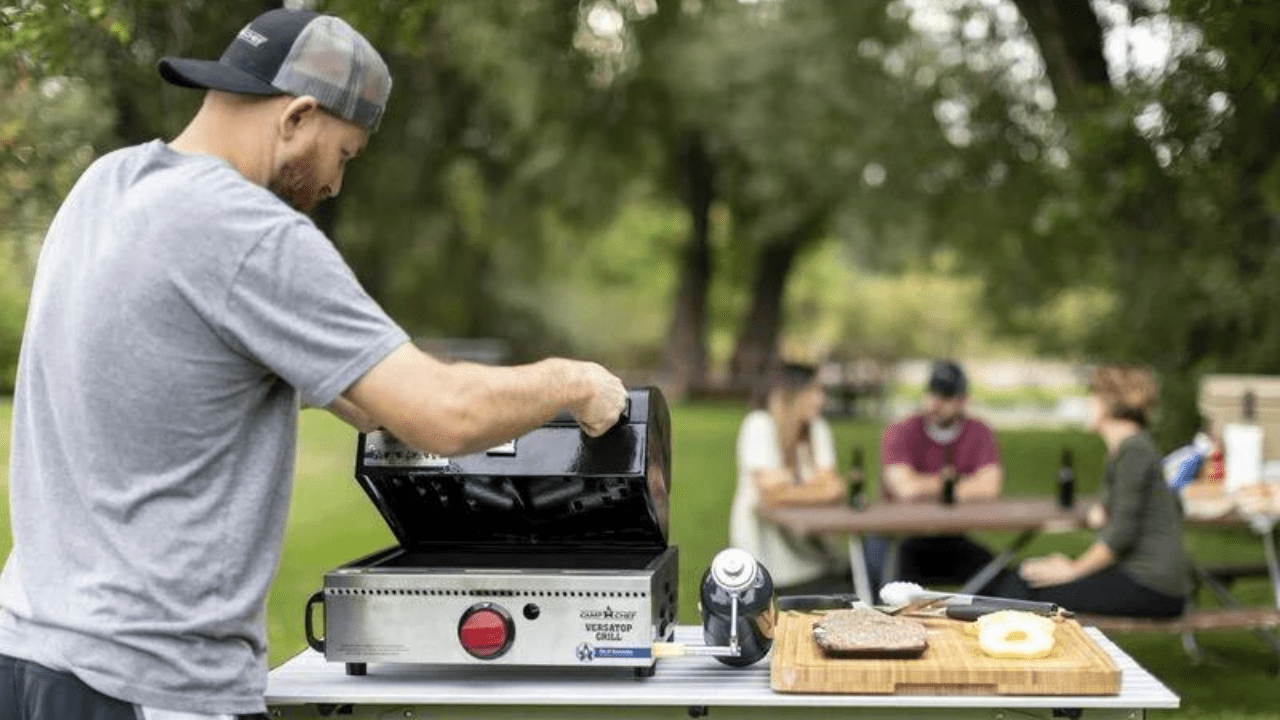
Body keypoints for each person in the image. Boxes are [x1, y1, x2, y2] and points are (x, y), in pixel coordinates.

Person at [0, 9, 627, 720]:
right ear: (297, 116)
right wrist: (573, 382)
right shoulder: (248, 234)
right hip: (149, 682)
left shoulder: (105, 189)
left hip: (28, 659)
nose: (335, 185)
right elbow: (443, 415)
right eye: (345, 154)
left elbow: (371, 398)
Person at [989, 365, 1191, 617]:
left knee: (1023, 587)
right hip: (1140, 578)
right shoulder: (1127, 449)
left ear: (1108, 404)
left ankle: (1003, 651)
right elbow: (1111, 512)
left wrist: (1074, 569)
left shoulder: (1134, 451)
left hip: (1153, 587)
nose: (1087, 405)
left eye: (1092, 398)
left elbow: (1121, 535)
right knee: (1024, 576)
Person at [867, 360, 1002, 592]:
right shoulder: (901, 431)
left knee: (998, 576)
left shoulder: (979, 432)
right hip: (900, 535)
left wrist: (925, 484)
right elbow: (905, 489)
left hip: (952, 535)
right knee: (880, 587)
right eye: (933, 392)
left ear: (963, 399)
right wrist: (957, 483)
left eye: (947, 396)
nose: (937, 402)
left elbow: (990, 487)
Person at [730, 363, 850, 595]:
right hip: (767, 560)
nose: (820, 400)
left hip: (814, 555)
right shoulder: (759, 425)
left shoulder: (818, 428)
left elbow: (834, 489)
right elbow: (770, 496)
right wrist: (813, 486)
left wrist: (788, 486)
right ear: (789, 395)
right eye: (813, 392)